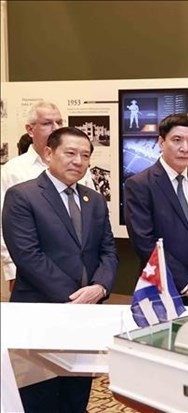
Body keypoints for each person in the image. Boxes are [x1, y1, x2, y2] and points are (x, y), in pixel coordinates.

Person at [2, 126, 118, 413]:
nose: (78, 161)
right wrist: (76, 298)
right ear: (48, 153)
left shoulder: (94, 201)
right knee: (37, 398)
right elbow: (28, 256)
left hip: (84, 318)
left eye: (85, 155)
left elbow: (108, 252)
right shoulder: (23, 196)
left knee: (75, 398)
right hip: (40, 312)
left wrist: (100, 288)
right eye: (70, 153)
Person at [124, 114, 188, 303]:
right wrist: (187, 284)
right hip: (162, 289)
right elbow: (145, 242)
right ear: (161, 142)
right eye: (177, 140)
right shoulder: (139, 185)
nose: (185, 148)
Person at [1, 101, 95, 292]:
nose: (56, 128)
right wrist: (11, 270)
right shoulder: (14, 170)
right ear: (30, 129)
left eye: (59, 122)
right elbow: (4, 226)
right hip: (34, 272)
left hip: (81, 272)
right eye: (47, 123)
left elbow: (92, 215)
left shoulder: (80, 168)